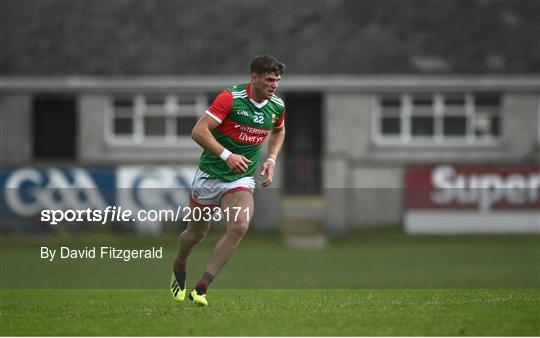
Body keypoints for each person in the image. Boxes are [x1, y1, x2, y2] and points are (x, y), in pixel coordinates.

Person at [170, 55, 286, 306]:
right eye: (269, 80)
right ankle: (179, 262)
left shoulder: (276, 106)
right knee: (195, 234)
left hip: (240, 180)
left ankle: (201, 288)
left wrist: (272, 158)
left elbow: (279, 130)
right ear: (254, 78)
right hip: (209, 176)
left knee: (239, 226)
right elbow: (199, 131)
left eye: (277, 80)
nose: (274, 85)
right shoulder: (230, 98)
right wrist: (226, 155)